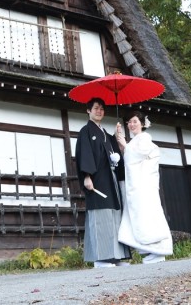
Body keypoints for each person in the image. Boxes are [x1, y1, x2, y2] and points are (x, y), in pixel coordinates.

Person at [75, 98, 130, 268]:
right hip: (97, 181)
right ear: (88, 111)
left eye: (101, 109)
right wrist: (86, 176)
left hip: (110, 180)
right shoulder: (86, 131)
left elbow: (115, 154)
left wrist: (117, 137)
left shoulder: (105, 133)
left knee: (114, 216)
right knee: (101, 217)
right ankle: (102, 258)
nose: (99, 111)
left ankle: (115, 256)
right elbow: (84, 155)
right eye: (96, 108)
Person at [114, 110, 173, 264]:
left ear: (141, 123)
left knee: (147, 215)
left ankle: (157, 249)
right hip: (136, 186)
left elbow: (138, 155)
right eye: (129, 122)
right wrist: (123, 146)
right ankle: (149, 251)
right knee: (138, 217)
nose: (132, 125)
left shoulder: (144, 138)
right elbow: (130, 159)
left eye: (135, 121)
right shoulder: (134, 142)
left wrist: (126, 146)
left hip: (144, 186)